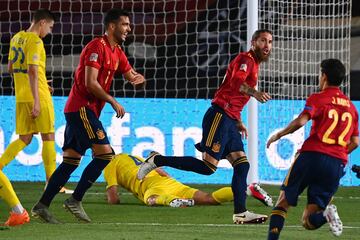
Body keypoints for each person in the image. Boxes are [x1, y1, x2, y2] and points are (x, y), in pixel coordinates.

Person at [137, 29, 273, 224]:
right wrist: (255, 93)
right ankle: (157, 159)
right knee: (209, 167)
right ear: (253, 42)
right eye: (263, 41)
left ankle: (240, 213)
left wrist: (238, 121)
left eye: (269, 41)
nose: (267, 45)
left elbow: (234, 97)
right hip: (219, 116)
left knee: (242, 165)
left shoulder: (253, 63)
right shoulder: (246, 59)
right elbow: (236, 83)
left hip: (229, 119)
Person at [31, 8, 145, 223]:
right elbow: (90, 83)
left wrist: (137, 78)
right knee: (105, 154)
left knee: (70, 162)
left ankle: (42, 205)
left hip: (82, 111)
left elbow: (130, 74)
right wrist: (112, 100)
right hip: (82, 107)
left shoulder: (118, 51)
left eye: (129, 25)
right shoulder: (96, 47)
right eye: (124, 24)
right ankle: (75, 199)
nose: (128, 28)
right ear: (112, 26)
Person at [266, 59, 359, 239]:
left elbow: (301, 121)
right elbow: (355, 142)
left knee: (283, 202)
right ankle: (326, 215)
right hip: (336, 164)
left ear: (323, 76)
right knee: (309, 221)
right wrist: (336, 154)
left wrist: (279, 135)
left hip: (312, 156)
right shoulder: (352, 108)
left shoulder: (318, 98)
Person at [1, 9, 72, 193]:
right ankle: (52, 182)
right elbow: (33, 70)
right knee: (48, 135)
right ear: (42, 23)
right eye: (50, 27)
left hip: (21, 95)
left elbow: (11, 68)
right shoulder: (36, 41)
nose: (49, 31)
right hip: (36, 96)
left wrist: (39, 81)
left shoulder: (16, 37)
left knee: (24, 138)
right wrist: (38, 100)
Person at [104, 153, 273, 207]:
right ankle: (247, 189)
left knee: (151, 200)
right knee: (209, 198)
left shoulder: (110, 165)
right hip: (171, 183)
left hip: (152, 187)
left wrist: (112, 196)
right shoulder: (131, 156)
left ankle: (171, 201)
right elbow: (159, 169)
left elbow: (114, 198)